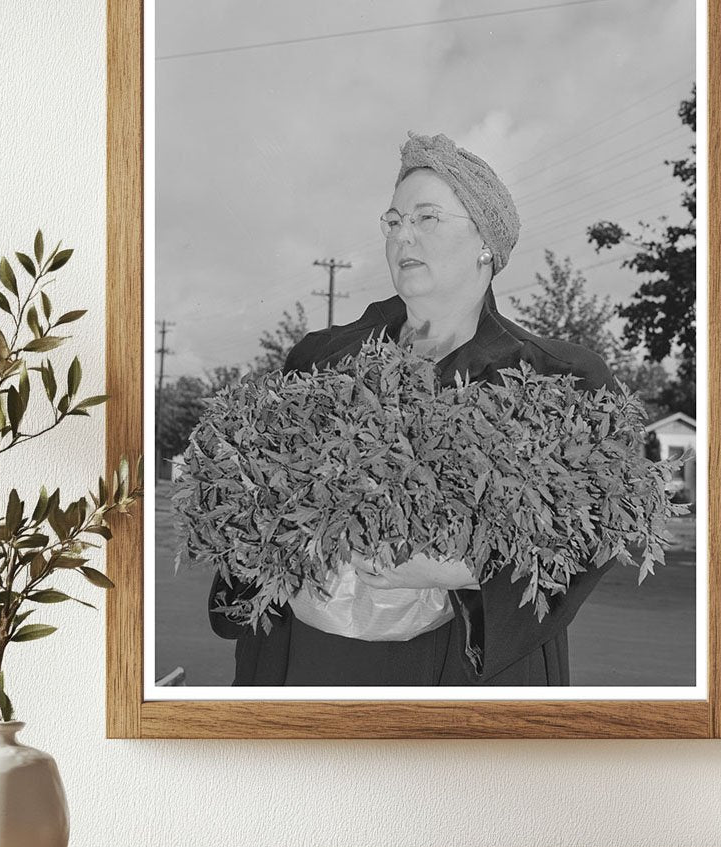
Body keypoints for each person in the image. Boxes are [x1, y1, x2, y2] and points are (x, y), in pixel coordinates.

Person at [208, 130, 621, 686]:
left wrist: (466, 567)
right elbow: (248, 506)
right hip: (311, 659)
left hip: (462, 670)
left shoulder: (561, 376)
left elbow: (594, 533)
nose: (404, 236)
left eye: (427, 219)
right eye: (394, 221)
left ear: (485, 244)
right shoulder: (320, 357)